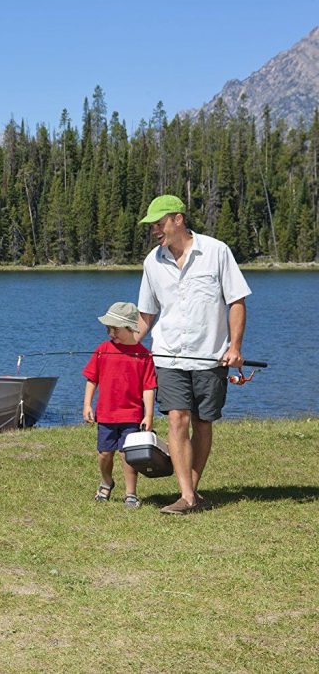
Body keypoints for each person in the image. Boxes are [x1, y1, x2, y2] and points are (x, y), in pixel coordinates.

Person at [135, 195, 252, 515]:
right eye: (152, 226)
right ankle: (186, 496)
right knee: (177, 418)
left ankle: (192, 490)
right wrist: (125, 343)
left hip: (210, 357)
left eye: (160, 224)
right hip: (168, 356)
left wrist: (235, 347)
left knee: (202, 422)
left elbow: (237, 302)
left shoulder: (216, 252)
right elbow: (147, 314)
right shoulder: (151, 262)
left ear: (178, 219)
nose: (155, 230)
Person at [83, 302, 157, 509]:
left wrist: (148, 415)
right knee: (105, 453)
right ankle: (106, 481)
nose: (110, 332)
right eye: (108, 328)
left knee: (128, 455)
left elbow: (148, 387)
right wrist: (87, 404)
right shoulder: (102, 350)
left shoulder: (144, 355)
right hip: (106, 414)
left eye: (114, 328)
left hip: (132, 415)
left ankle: (130, 493)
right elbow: (92, 379)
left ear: (130, 327)